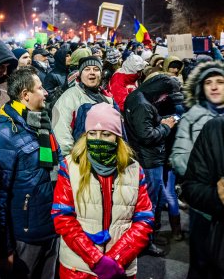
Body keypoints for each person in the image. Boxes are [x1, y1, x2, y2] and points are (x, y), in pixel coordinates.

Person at [52, 102, 154, 278]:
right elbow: (63, 217)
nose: (98, 139)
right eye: (92, 133)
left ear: (117, 137)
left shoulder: (133, 170)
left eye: (106, 134)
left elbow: (144, 220)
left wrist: (116, 258)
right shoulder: (70, 166)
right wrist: (96, 259)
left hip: (119, 268)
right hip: (78, 269)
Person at [0, 67, 58, 278]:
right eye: (40, 88)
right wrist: (3, 247)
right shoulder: (3, 133)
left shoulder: (39, 121)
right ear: (25, 95)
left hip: (49, 224)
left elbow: (54, 160)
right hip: (24, 234)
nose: (45, 93)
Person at [170, 60, 224, 277]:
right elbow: (178, 157)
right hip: (203, 207)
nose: (214, 87)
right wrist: (207, 173)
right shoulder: (192, 117)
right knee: (202, 264)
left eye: (220, 82)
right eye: (208, 82)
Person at [123, 73, 181, 256]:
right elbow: (146, 136)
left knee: (149, 201)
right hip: (149, 160)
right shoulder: (143, 105)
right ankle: (146, 242)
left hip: (145, 158)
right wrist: (166, 126)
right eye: (165, 94)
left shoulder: (137, 97)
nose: (164, 99)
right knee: (149, 204)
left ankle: (148, 238)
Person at [182, 117, 224, 278]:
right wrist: (217, 196)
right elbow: (191, 186)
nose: (214, 89)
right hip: (214, 240)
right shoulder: (215, 127)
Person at [52, 56, 114, 158]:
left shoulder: (107, 97)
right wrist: (73, 160)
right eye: (87, 69)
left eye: (96, 69)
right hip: (82, 162)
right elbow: (61, 135)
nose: (92, 72)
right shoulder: (70, 97)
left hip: (106, 160)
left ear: (101, 74)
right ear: (80, 74)